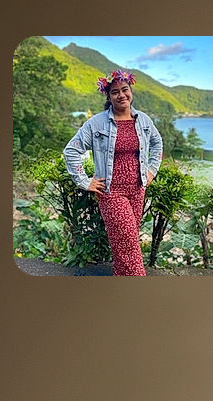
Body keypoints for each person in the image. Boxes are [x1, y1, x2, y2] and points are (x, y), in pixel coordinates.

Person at [63, 70, 163, 276]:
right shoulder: (96, 123)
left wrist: (152, 170)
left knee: (125, 244)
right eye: (115, 92)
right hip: (111, 192)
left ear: (131, 91)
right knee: (130, 246)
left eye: (125, 90)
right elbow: (71, 150)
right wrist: (84, 180)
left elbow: (157, 142)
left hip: (137, 190)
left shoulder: (143, 120)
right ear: (108, 97)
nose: (121, 95)